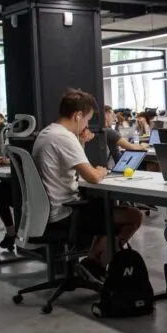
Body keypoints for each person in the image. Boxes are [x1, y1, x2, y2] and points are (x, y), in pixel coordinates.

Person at [32, 89, 143, 283]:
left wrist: (81, 141)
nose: (86, 125)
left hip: (48, 211)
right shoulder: (64, 137)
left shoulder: (48, 133)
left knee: (105, 210)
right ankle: (95, 265)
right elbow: (92, 176)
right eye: (86, 120)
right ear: (77, 115)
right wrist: (102, 171)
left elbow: (72, 164)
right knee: (134, 216)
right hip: (65, 213)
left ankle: (91, 265)